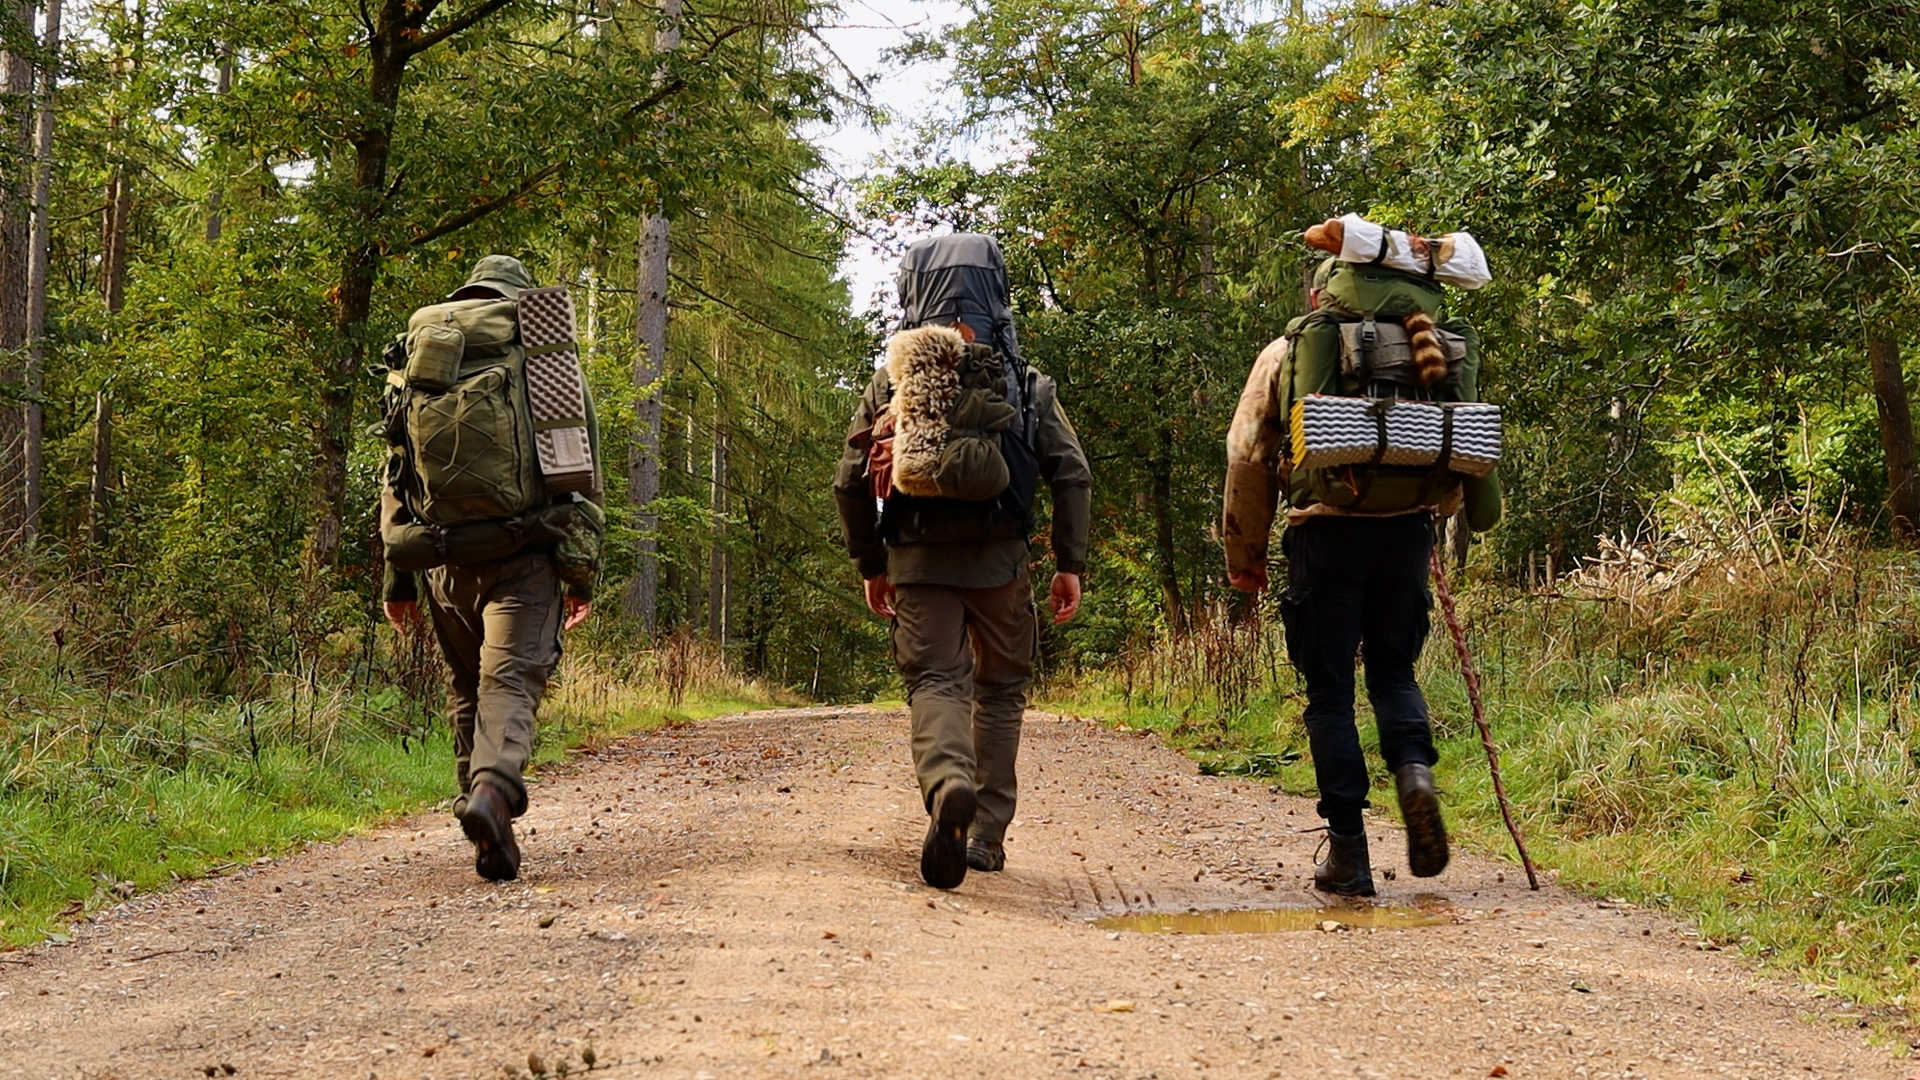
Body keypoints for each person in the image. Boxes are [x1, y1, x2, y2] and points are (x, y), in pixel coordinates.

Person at [1222, 255, 1500, 896]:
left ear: (1323, 294)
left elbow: (1248, 455)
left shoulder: (1290, 349)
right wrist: (1438, 508)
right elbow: (1453, 439)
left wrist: (1247, 556)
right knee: (1394, 674)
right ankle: (1413, 772)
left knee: (1328, 695)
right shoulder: (1428, 347)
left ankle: (1348, 852)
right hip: (1406, 534)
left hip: (1323, 532)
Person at [834, 234, 1093, 890]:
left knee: (936, 684)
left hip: (919, 564)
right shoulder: (1024, 381)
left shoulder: (892, 383)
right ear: (996, 292)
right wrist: (1070, 562)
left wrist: (871, 563)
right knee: (1001, 691)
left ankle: (948, 781)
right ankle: (985, 836)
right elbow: (1072, 471)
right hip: (1002, 566)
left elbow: (847, 479)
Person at [380, 255, 599, 882]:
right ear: (519, 295)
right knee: (510, 681)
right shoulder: (543, 348)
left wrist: (397, 579)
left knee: (466, 687)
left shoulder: (422, 352)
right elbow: (579, 470)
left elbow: (396, 470)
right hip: (523, 552)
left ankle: (484, 837)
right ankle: (494, 792)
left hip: (441, 557)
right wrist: (580, 573)